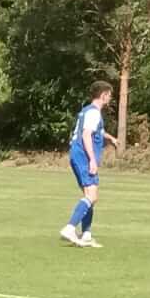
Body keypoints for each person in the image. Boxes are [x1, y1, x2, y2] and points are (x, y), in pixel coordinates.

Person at [60, 80, 117, 248]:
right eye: (109, 95)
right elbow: (86, 135)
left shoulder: (87, 111)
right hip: (83, 156)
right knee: (92, 196)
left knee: (90, 196)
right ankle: (70, 228)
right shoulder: (94, 113)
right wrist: (92, 159)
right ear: (103, 95)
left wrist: (110, 137)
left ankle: (86, 235)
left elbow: (96, 131)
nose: (110, 98)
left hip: (77, 155)